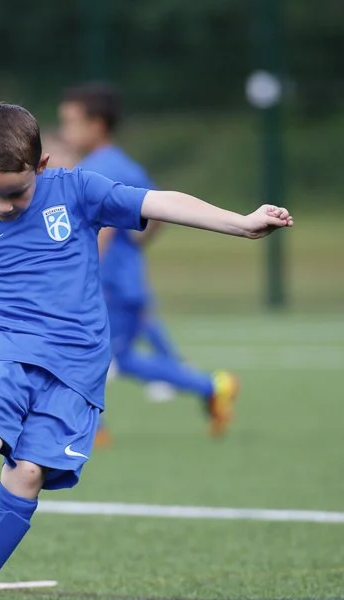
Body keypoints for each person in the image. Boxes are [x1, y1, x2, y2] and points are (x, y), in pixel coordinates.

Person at [0, 102, 292, 600]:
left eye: (16, 192)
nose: (5, 207)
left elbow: (161, 201)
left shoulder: (76, 191)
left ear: (43, 164)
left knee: (28, 473)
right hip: (6, 351)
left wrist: (239, 224)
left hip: (77, 367)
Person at [59, 82, 239, 441]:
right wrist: (137, 247)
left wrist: (78, 276)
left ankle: (88, 428)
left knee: (81, 350)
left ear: (97, 125)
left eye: (71, 121)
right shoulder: (127, 165)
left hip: (105, 283)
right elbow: (157, 214)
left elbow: (104, 231)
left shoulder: (95, 169)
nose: (65, 130)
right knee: (114, 357)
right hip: (124, 279)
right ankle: (209, 387)